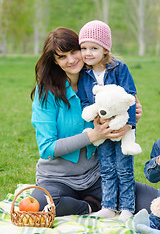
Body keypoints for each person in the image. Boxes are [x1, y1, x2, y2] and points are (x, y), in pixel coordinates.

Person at [30, 26, 157, 217]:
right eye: (62, 57)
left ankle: (99, 200)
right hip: (58, 179)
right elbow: (47, 148)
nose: (71, 60)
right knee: (41, 204)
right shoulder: (46, 93)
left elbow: (118, 107)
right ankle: (90, 207)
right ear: (55, 62)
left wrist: (130, 117)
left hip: (99, 177)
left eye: (74, 51)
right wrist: (93, 135)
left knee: (155, 202)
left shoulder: (98, 80)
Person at [78, 20, 141, 221]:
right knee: (106, 167)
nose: (88, 53)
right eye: (84, 48)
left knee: (123, 167)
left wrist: (129, 125)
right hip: (102, 127)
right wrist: (95, 122)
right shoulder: (85, 74)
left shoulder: (119, 69)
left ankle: (126, 208)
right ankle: (108, 206)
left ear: (105, 49)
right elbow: (85, 101)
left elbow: (130, 96)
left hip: (123, 126)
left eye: (94, 48)